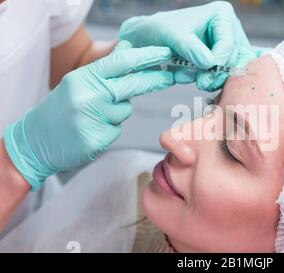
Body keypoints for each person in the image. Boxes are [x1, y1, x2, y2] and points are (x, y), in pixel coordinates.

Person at [0, 34, 284, 253]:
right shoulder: (125, 185)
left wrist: (16, 164)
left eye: (232, 150)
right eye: (212, 106)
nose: (172, 137)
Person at [0, 0, 259, 235]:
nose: (170, 137)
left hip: (33, 220)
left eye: (231, 150)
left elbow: (70, 61)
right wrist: (17, 163)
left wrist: (131, 54)